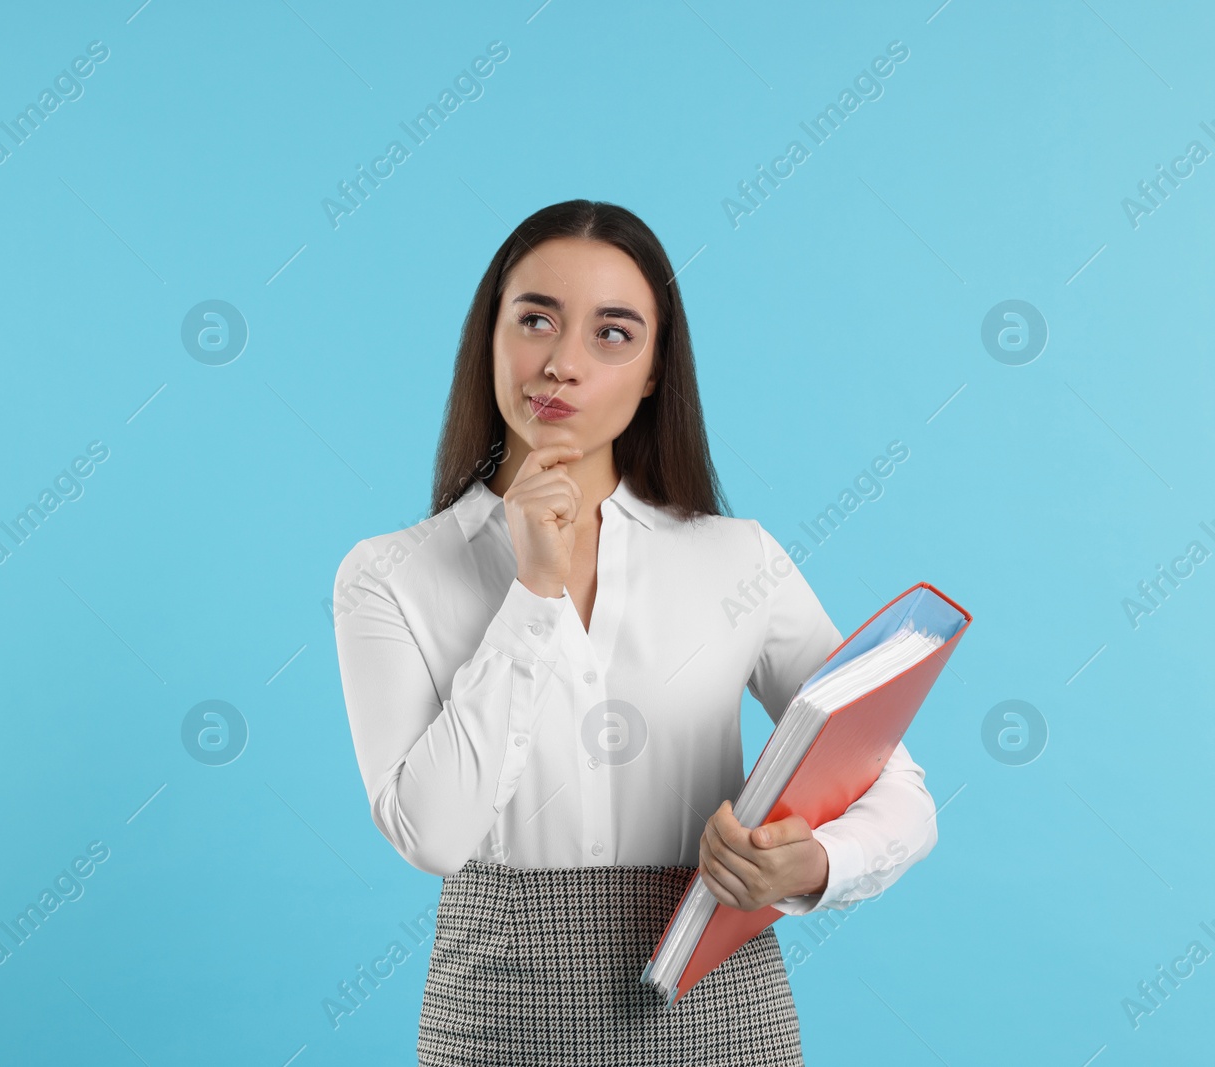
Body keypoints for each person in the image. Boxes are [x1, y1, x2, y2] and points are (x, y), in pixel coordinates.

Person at [330, 199, 938, 1065]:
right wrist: (535, 592)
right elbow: (431, 833)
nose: (563, 363)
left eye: (613, 334)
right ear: (490, 339)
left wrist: (811, 866)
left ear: (655, 371)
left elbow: (902, 788)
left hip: (721, 1011)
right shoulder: (390, 575)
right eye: (536, 318)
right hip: (499, 1020)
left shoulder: (738, 559)